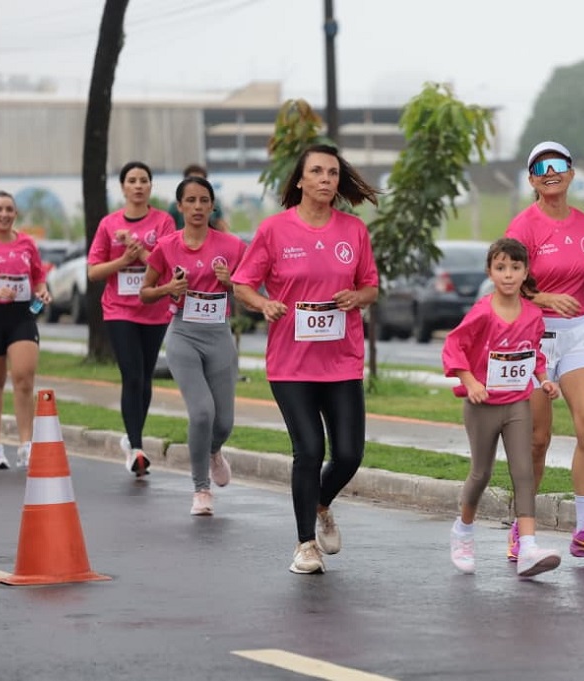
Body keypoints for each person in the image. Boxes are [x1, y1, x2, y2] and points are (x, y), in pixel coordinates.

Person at [232, 144, 380, 574]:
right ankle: (304, 545)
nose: (325, 179)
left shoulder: (353, 231)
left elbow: (370, 286)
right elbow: (243, 284)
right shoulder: (274, 231)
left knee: (349, 454)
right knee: (309, 450)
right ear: (299, 180)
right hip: (291, 364)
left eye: (332, 173)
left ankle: (320, 503)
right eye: (316, 171)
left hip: (342, 361)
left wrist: (357, 297)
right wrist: (264, 305)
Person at [504, 140, 584, 562]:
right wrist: (547, 299)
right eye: (540, 167)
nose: (550, 171)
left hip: (578, 334)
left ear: (572, 173)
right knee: (537, 440)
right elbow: (510, 281)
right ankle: (523, 527)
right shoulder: (523, 227)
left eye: (558, 164)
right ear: (532, 179)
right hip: (533, 335)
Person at [441, 237, 562, 577]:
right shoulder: (482, 312)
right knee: (481, 473)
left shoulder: (534, 314)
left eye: (515, 268)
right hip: (482, 406)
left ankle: (528, 548)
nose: (508, 275)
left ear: (525, 273)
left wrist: (544, 379)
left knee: (523, 472)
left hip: (517, 403)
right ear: (490, 272)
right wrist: (471, 382)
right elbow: (454, 347)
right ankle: (463, 531)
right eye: (500, 268)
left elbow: (533, 352)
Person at [140, 176, 247, 515]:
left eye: (204, 200)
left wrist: (232, 283)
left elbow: (253, 288)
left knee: (224, 422)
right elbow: (145, 292)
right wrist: (169, 288)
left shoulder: (232, 246)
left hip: (219, 334)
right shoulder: (167, 246)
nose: (198, 207)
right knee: (201, 412)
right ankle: (201, 490)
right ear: (181, 206)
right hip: (183, 334)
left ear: (212, 205)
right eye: (191, 201)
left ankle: (214, 451)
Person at [87, 161, 176, 478]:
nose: (138, 186)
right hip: (118, 309)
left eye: (144, 180)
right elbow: (94, 271)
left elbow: (168, 267)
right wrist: (122, 260)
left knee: (146, 376)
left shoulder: (163, 222)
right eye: (132, 180)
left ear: (150, 186)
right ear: (123, 187)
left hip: (154, 309)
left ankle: (132, 437)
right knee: (132, 374)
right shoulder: (109, 225)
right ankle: (136, 447)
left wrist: (139, 255)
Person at [0, 191, 50, 470]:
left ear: (15, 213)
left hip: (21, 317)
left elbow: (38, 278)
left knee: (24, 379)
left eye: (9, 209)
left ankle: (26, 445)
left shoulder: (27, 243)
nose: (4, 214)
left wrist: (43, 291)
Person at [168, 164, 229, 232]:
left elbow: (222, 228)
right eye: (191, 200)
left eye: (200, 181)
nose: (198, 206)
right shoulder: (174, 207)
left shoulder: (215, 206)